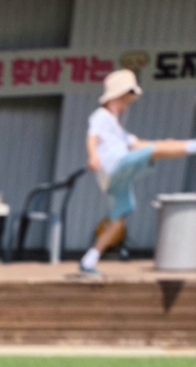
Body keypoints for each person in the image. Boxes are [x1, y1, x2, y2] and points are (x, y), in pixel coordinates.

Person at [77, 69, 196, 277]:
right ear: (113, 97)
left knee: (119, 220)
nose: (124, 106)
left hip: (115, 180)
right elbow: (91, 137)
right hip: (116, 164)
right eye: (123, 101)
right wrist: (92, 156)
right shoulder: (101, 115)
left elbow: (138, 143)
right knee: (157, 149)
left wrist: (166, 145)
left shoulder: (117, 128)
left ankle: (90, 259)